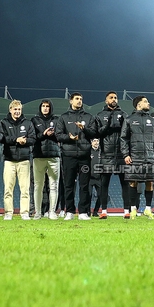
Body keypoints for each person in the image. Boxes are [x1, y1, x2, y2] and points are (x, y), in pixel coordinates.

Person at [56, 92, 95, 220]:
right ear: (70, 101)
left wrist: (84, 129)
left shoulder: (88, 117)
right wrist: (69, 137)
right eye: (77, 99)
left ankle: (83, 212)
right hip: (68, 155)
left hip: (84, 155)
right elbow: (58, 135)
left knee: (84, 185)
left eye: (81, 99)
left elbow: (94, 133)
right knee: (68, 185)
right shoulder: (64, 117)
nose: (79, 101)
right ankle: (70, 211)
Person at [120, 95, 154, 218]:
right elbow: (123, 138)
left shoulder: (153, 121)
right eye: (145, 102)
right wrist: (126, 154)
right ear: (138, 105)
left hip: (149, 156)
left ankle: (148, 209)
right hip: (134, 157)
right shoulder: (129, 119)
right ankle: (133, 209)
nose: (148, 104)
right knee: (133, 182)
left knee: (150, 182)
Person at [89, 91, 127, 219]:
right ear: (106, 100)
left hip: (121, 154)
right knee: (104, 184)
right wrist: (107, 125)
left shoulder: (124, 115)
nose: (114, 99)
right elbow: (97, 134)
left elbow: (128, 134)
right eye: (111, 98)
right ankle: (104, 210)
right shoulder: (100, 116)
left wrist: (122, 124)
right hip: (106, 154)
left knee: (125, 183)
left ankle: (126, 211)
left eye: (115, 97)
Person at [0, 99, 35, 220]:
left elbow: (33, 139)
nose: (17, 112)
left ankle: (24, 212)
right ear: (10, 110)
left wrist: (25, 141)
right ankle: (8, 212)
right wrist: (16, 140)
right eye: (15, 109)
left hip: (24, 159)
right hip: (9, 159)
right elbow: (2, 138)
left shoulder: (28, 123)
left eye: (19, 109)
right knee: (8, 189)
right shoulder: (3, 123)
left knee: (25, 189)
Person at [30, 99, 60, 220]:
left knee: (53, 185)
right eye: (43, 106)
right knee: (38, 186)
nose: (45, 108)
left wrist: (53, 135)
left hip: (54, 156)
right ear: (40, 108)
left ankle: (52, 211)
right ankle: (37, 212)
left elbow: (61, 136)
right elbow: (32, 137)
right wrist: (43, 134)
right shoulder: (34, 120)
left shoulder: (57, 120)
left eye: (48, 106)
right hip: (39, 156)